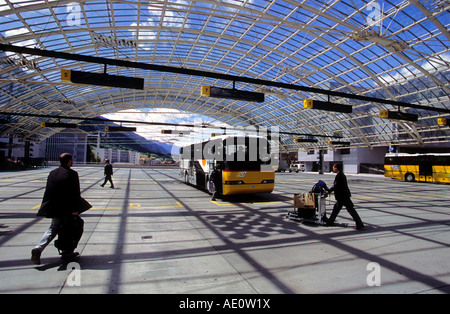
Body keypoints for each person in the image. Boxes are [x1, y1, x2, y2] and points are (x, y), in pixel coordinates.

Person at [31, 153, 85, 264]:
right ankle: (67, 252)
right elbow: (75, 193)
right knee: (71, 228)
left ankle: (38, 248)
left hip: (54, 208)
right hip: (67, 208)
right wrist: (75, 209)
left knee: (53, 228)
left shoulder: (52, 173)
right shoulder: (72, 174)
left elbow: (49, 190)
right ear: (69, 161)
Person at [325, 163, 365, 230]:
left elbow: (335, 185)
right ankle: (330, 221)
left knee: (350, 210)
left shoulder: (339, 175)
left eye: (333, 167)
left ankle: (359, 224)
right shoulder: (341, 174)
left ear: (336, 168)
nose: (333, 169)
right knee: (337, 209)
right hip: (344, 196)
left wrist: (328, 191)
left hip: (342, 196)